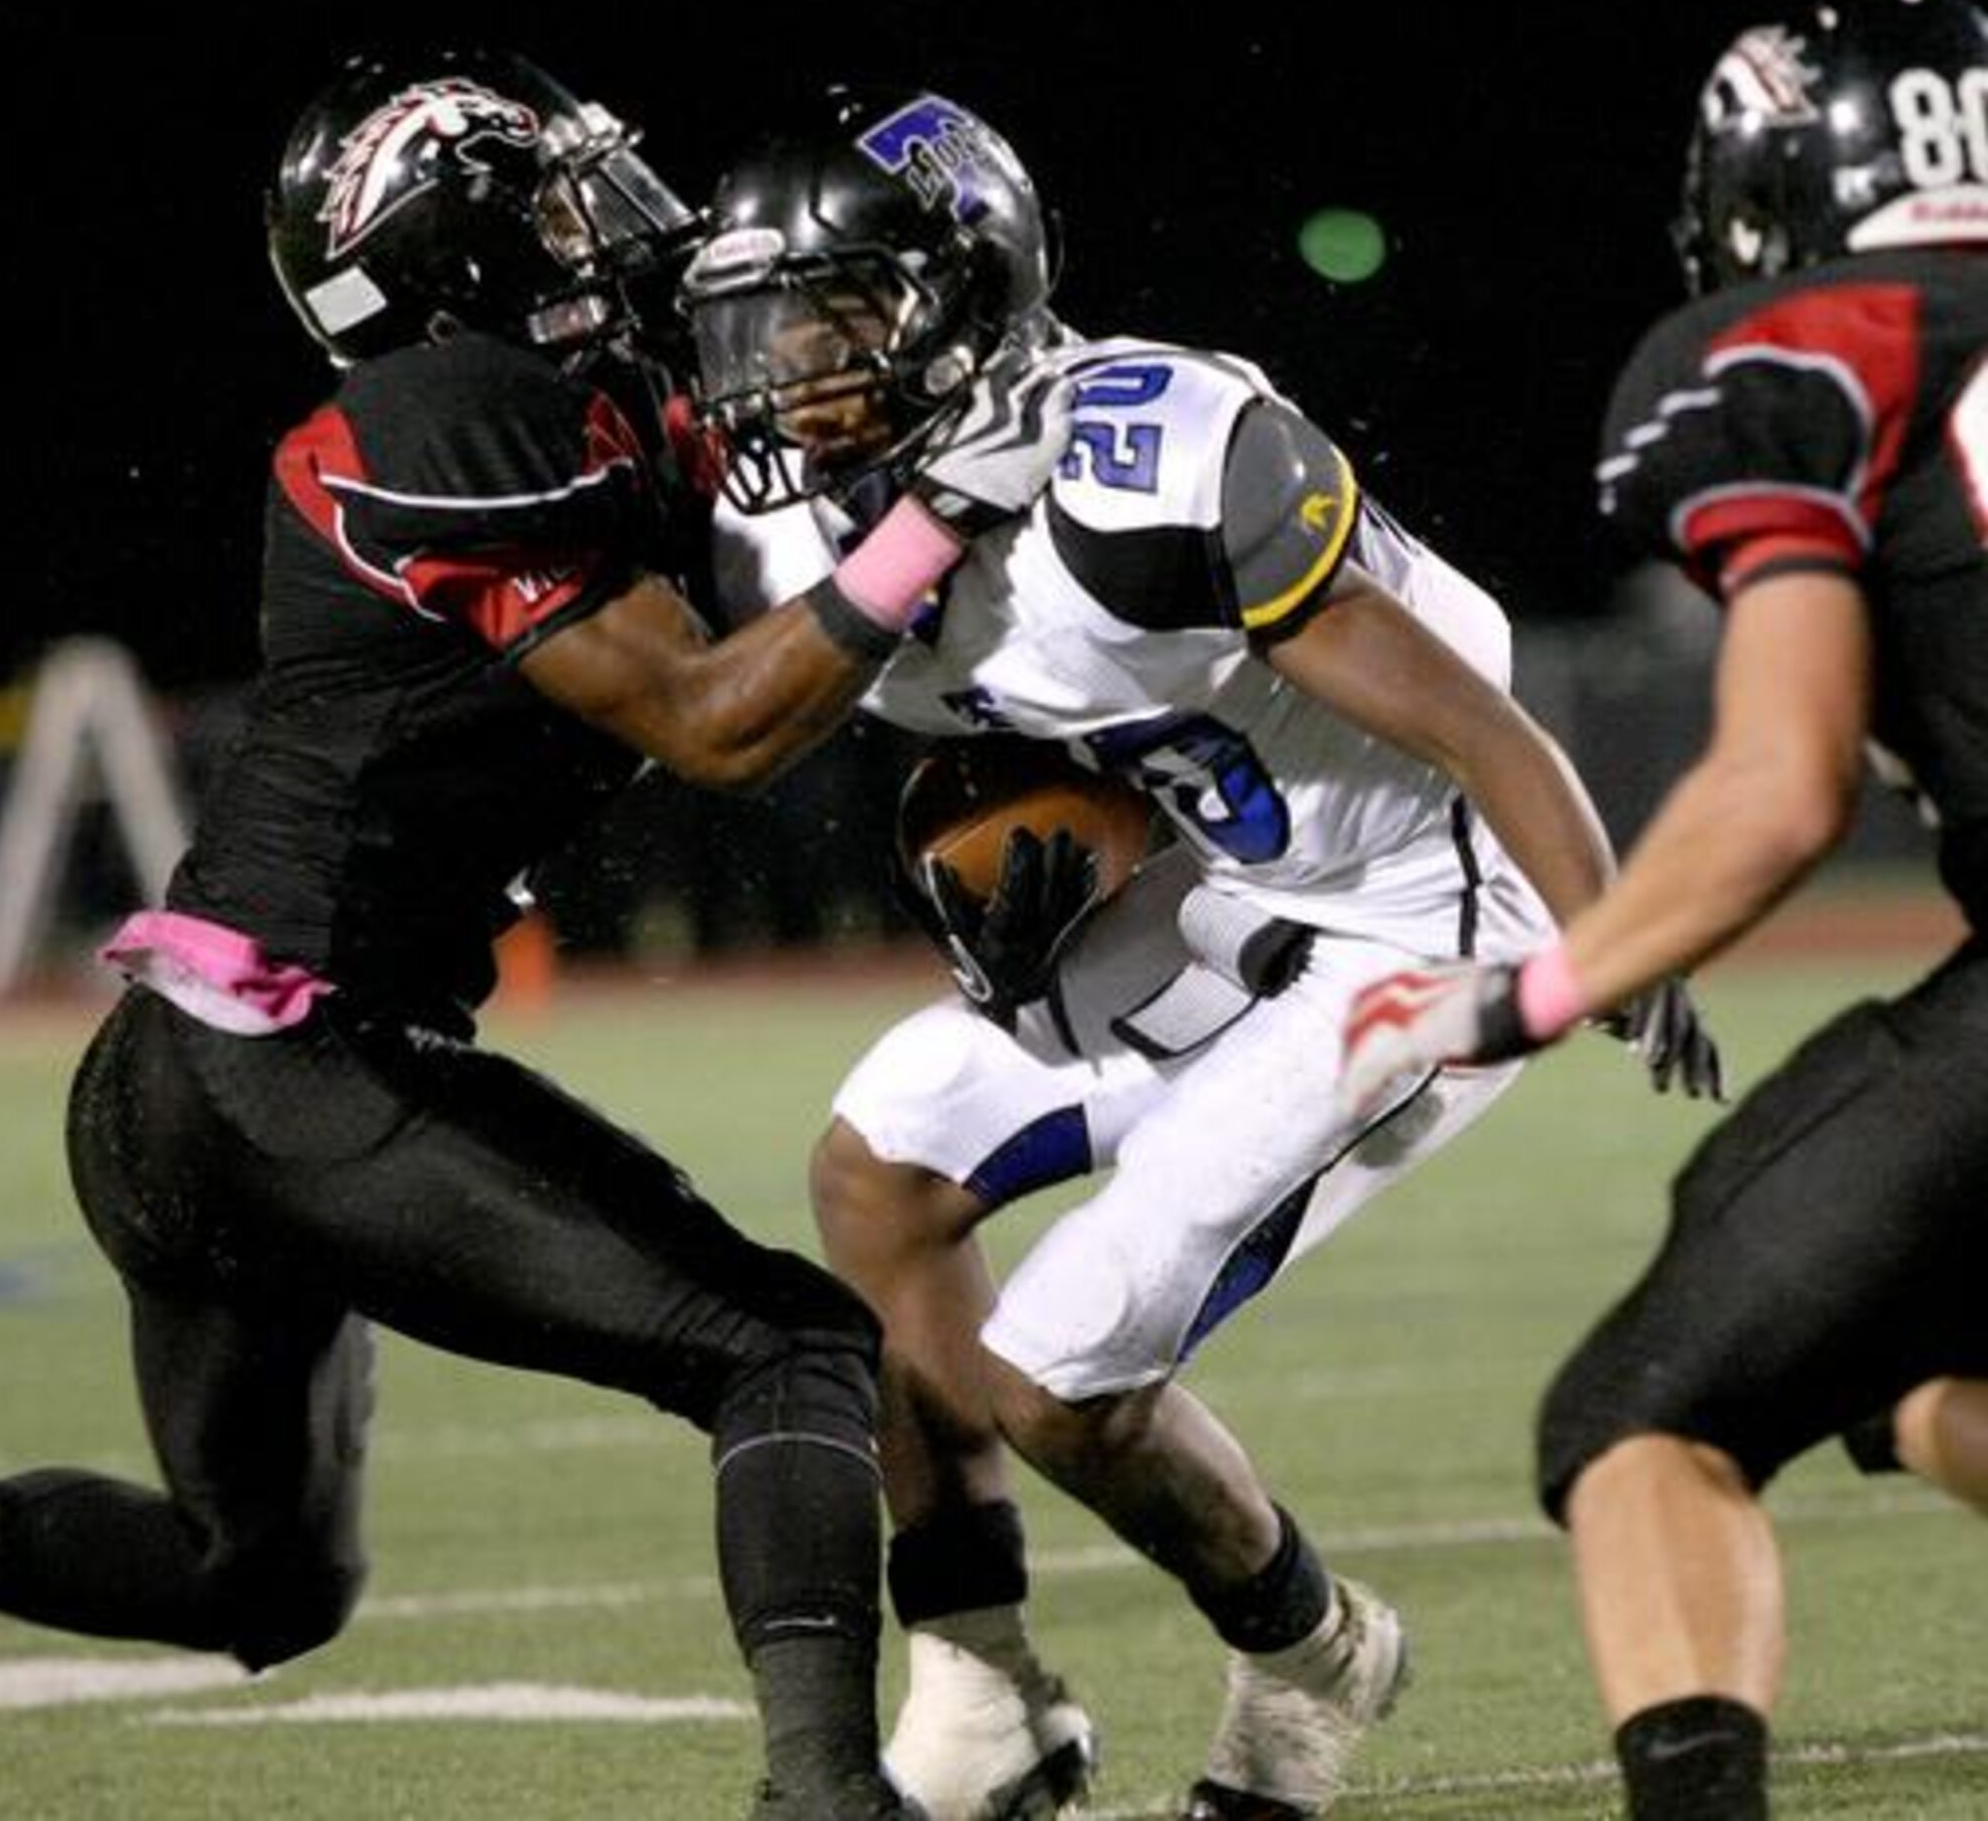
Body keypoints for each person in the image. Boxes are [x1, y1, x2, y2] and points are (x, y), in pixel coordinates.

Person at [0, 49, 1076, 1820]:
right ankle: (825, 1797)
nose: (594, 218)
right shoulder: (447, 405)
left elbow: (759, 537)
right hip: (294, 1059)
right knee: (789, 1347)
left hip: (184, 1086)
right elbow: (710, 719)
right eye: (540, 196)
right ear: (454, 254)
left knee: (259, 1580)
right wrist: (937, 514)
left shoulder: (563, 403)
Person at [679, 89, 1720, 1821]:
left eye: (833, 317)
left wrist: (1622, 933)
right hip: (1228, 881)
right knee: (875, 1175)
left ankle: (1311, 1658)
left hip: (1414, 922)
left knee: (1059, 1373)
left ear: (963, 291)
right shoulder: (816, 532)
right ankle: (982, 1681)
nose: (785, 371)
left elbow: (1476, 726)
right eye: (759, 326)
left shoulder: (1153, 463)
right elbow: (1023, 730)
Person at [1337, 0, 1988, 1821]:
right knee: (1897, 1352)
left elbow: (1775, 787)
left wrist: (1519, 994)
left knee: (1642, 1414)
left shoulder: (1801, 348)